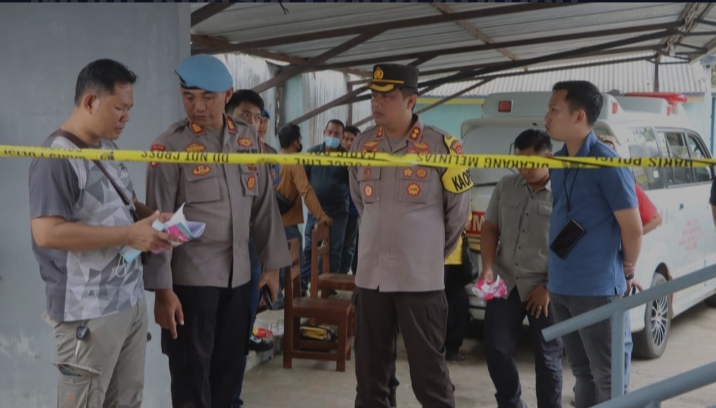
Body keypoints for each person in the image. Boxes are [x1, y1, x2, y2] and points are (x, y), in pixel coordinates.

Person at [29, 59, 179, 408]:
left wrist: (157, 219)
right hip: (88, 311)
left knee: (127, 401)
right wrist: (129, 235)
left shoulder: (105, 148)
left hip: (128, 300)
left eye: (130, 109)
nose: (126, 118)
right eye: (119, 108)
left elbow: (126, 204)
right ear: (90, 102)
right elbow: (47, 233)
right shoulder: (56, 158)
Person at [144, 54, 291, 408]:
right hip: (190, 284)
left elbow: (264, 206)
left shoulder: (247, 140)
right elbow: (157, 223)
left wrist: (272, 267)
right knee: (191, 379)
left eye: (207, 97)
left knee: (230, 374)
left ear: (227, 95)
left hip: (239, 279)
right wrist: (163, 291)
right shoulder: (169, 146)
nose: (197, 106)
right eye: (188, 96)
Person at [349, 63, 471, 408]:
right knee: (370, 379)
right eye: (374, 95)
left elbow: (457, 214)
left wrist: (427, 255)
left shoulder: (443, 146)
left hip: (420, 282)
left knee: (429, 378)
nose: (377, 103)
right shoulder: (361, 144)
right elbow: (361, 204)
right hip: (371, 279)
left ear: (411, 100)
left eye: (387, 96)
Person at [545, 80, 642, 408]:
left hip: (597, 290)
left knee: (608, 377)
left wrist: (628, 270)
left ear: (579, 116)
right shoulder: (558, 162)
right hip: (560, 286)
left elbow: (633, 229)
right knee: (582, 374)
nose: (546, 117)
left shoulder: (607, 163)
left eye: (554, 109)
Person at [479, 129, 563, 408]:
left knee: (548, 359)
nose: (523, 169)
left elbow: (571, 245)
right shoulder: (506, 185)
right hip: (504, 280)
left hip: (545, 287)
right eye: (518, 161)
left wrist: (549, 286)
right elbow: (490, 228)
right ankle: (511, 403)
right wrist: (487, 268)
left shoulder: (564, 191)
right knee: (495, 349)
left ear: (548, 157)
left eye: (529, 162)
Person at [225, 89, 274, 408]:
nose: (253, 124)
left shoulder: (263, 155)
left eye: (258, 118)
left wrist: (272, 267)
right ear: (227, 114)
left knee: (239, 335)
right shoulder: (203, 150)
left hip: (250, 257)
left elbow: (267, 212)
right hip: (207, 264)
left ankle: (233, 400)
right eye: (245, 116)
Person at [274, 123, 333, 298]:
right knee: (294, 262)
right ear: (295, 142)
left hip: (271, 220)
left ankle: (277, 296)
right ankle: (286, 297)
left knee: (276, 260)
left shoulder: (273, 159)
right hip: (287, 223)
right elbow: (306, 191)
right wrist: (322, 216)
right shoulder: (294, 162)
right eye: (300, 139)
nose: (301, 142)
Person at [302, 119, 350, 291]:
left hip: (338, 211)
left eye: (337, 134)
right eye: (330, 132)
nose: (332, 136)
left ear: (342, 137)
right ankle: (303, 284)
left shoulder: (347, 157)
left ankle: (328, 287)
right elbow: (304, 180)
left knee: (335, 249)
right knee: (310, 247)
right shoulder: (312, 153)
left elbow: (352, 183)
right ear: (324, 132)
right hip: (316, 209)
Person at [341, 125, 361, 274]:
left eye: (352, 140)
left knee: (350, 246)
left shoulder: (362, 160)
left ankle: (346, 275)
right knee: (334, 247)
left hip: (354, 211)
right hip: (337, 211)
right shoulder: (334, 159)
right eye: (345, 139)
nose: (348, 143)